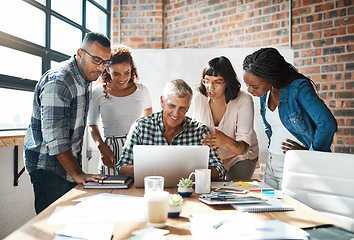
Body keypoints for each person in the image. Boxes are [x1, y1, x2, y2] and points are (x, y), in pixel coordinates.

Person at [24, 32, 111, 214]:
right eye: (96, 60)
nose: (101, 67)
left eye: (105, 62)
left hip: (68, 164)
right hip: (47, 166)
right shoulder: (59, 80)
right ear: (80, 53)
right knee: (51, 225)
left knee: (67, 221)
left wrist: (76, 171)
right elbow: (55, 136)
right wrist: (78, 173)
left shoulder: (87, 76)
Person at [242, 47, 338, 190]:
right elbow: (271, 128)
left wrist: (312, 154)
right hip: (271, 166)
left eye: (254, 86)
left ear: (271, 77)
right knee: (270, 210)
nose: (249, 90)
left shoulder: (298, 88)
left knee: (291, 211)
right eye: (247, 85)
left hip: (295, 166)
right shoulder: (265, 93)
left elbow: (327, 123)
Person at [117, 79, 225, 180]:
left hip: (189, 193)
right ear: (162, 102)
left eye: (182, 108)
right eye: (171, 106)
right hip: (149, 191)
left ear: (188, 107)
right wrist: (156, 172)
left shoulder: (199, 131)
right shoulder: (140, 127)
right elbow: (122, 167)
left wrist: (188, 172)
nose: (176, 113)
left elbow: (219, 168)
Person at [88, 44, 152, 176]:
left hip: (137, 148)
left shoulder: (142, 90)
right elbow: (92, 125)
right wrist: (102, 149)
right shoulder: (97, 92)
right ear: (107, 71)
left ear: (132, 69)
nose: (122, 78)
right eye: (116, 74)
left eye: (127, 72)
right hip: (110, 150)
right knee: (110, 192)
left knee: (136, 191)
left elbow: (148, 115)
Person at [194, 56, 259, 180]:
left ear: (228, 82)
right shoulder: (199, 98)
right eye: (206, 81)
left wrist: (225, 141)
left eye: (217, 82)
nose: (210, 87)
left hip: (240, 156)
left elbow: (243, 149)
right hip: (213, 157)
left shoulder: (244, 100)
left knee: (235, 190)